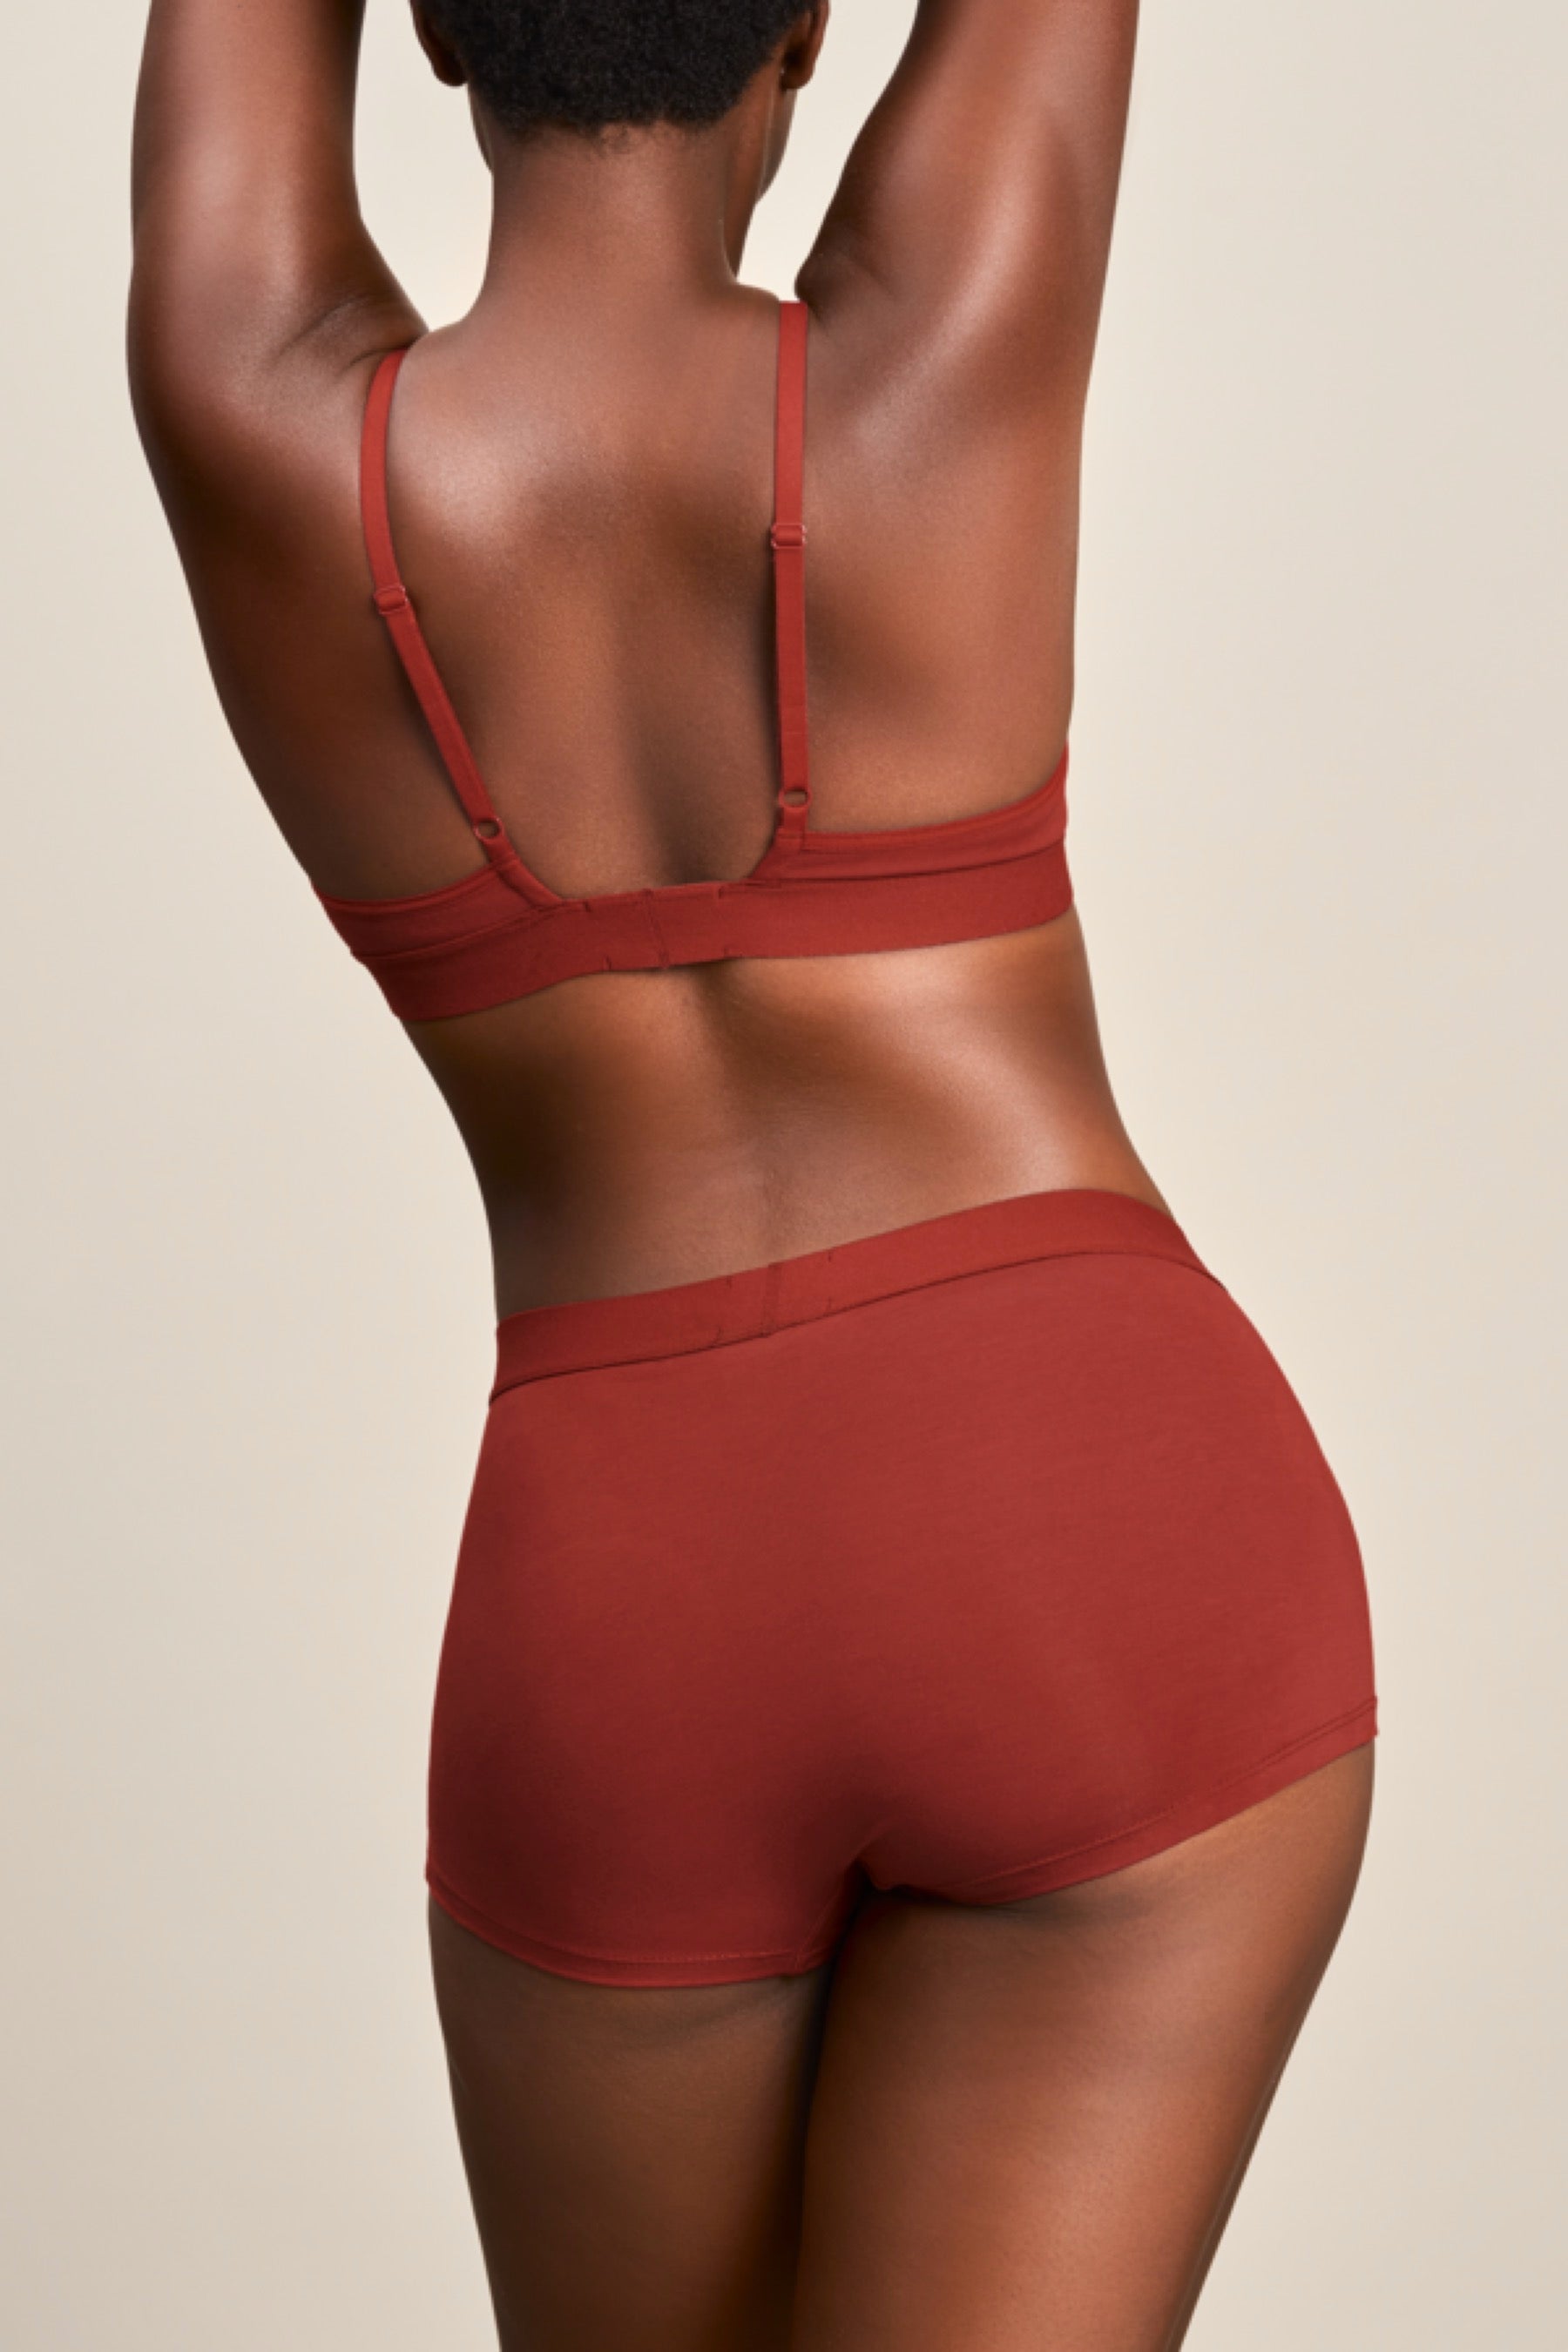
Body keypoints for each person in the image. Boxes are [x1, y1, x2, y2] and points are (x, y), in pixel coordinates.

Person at [130, 4, 1378, 2343]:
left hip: (626, 1608)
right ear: (806, 22)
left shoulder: (256, 426)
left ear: (429, 23)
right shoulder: (945, 356)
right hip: (1090, 1527)